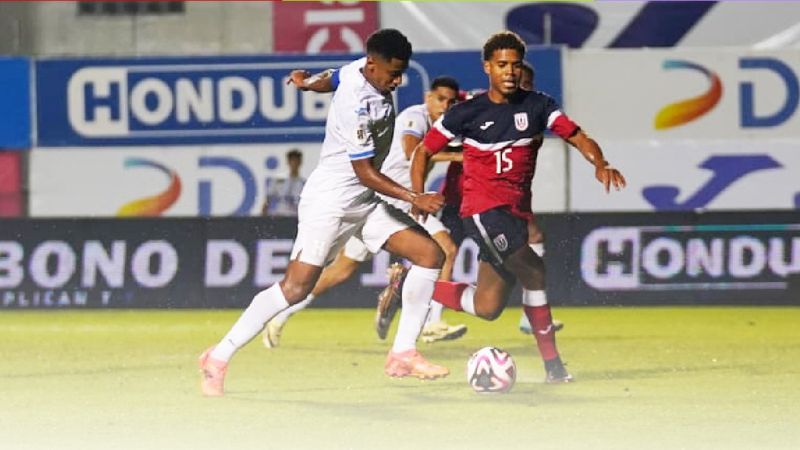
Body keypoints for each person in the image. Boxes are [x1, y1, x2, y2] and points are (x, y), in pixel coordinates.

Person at [199, 29, 450, 397]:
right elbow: (365, 170)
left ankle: (402, 353)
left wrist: (304, 83)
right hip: (330, 203)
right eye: (392, 73)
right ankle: (218, 357)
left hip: (363, 203)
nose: (397, 81)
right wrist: (415, 195)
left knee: (430, 255)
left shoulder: (355, 70)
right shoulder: (359, 105)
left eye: (402, 73)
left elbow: (332, 77)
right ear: (373, 64)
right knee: (295, 289)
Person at [410, 31, 626, 383]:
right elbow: (423, 151)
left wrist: (599, 162)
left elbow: (577, 135)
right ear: (487, 68)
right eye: (501, 65)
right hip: (482, 211)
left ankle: (412, 284)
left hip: (514, 215)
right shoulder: (467, 112)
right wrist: (418, 194)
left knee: (487, 306)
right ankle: (554, 367)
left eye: (514, 64)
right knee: (535, 270)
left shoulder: (539, 106)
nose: (509, 71)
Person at [261, 76, 468, 348]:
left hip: (399, 201)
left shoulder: (440, 127)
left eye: (451, 101)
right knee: (443, 250)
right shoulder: (415, 116)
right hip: (389, 201)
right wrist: (459, 156)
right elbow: (410, 151)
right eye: (440, 99)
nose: (445, 105)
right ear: (428, 97)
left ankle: (280, 316)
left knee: (344, 270)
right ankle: (428, 321)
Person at [516, 60, 563, 335]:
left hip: (515, 194)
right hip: (481, 194)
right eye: (520, 83)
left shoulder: (532, 115)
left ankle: (530, 316)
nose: (524, 88)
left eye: (528, 84)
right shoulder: (489, 109)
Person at [262, 149, 305, 217]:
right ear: (288, 162)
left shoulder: (303, 183)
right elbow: (268, 200)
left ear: (300, 162)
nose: (294, 163)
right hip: (279, 216)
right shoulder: (279, 180)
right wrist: (263, 216)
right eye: (292, 160)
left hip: (295, 217)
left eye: (296, 161)